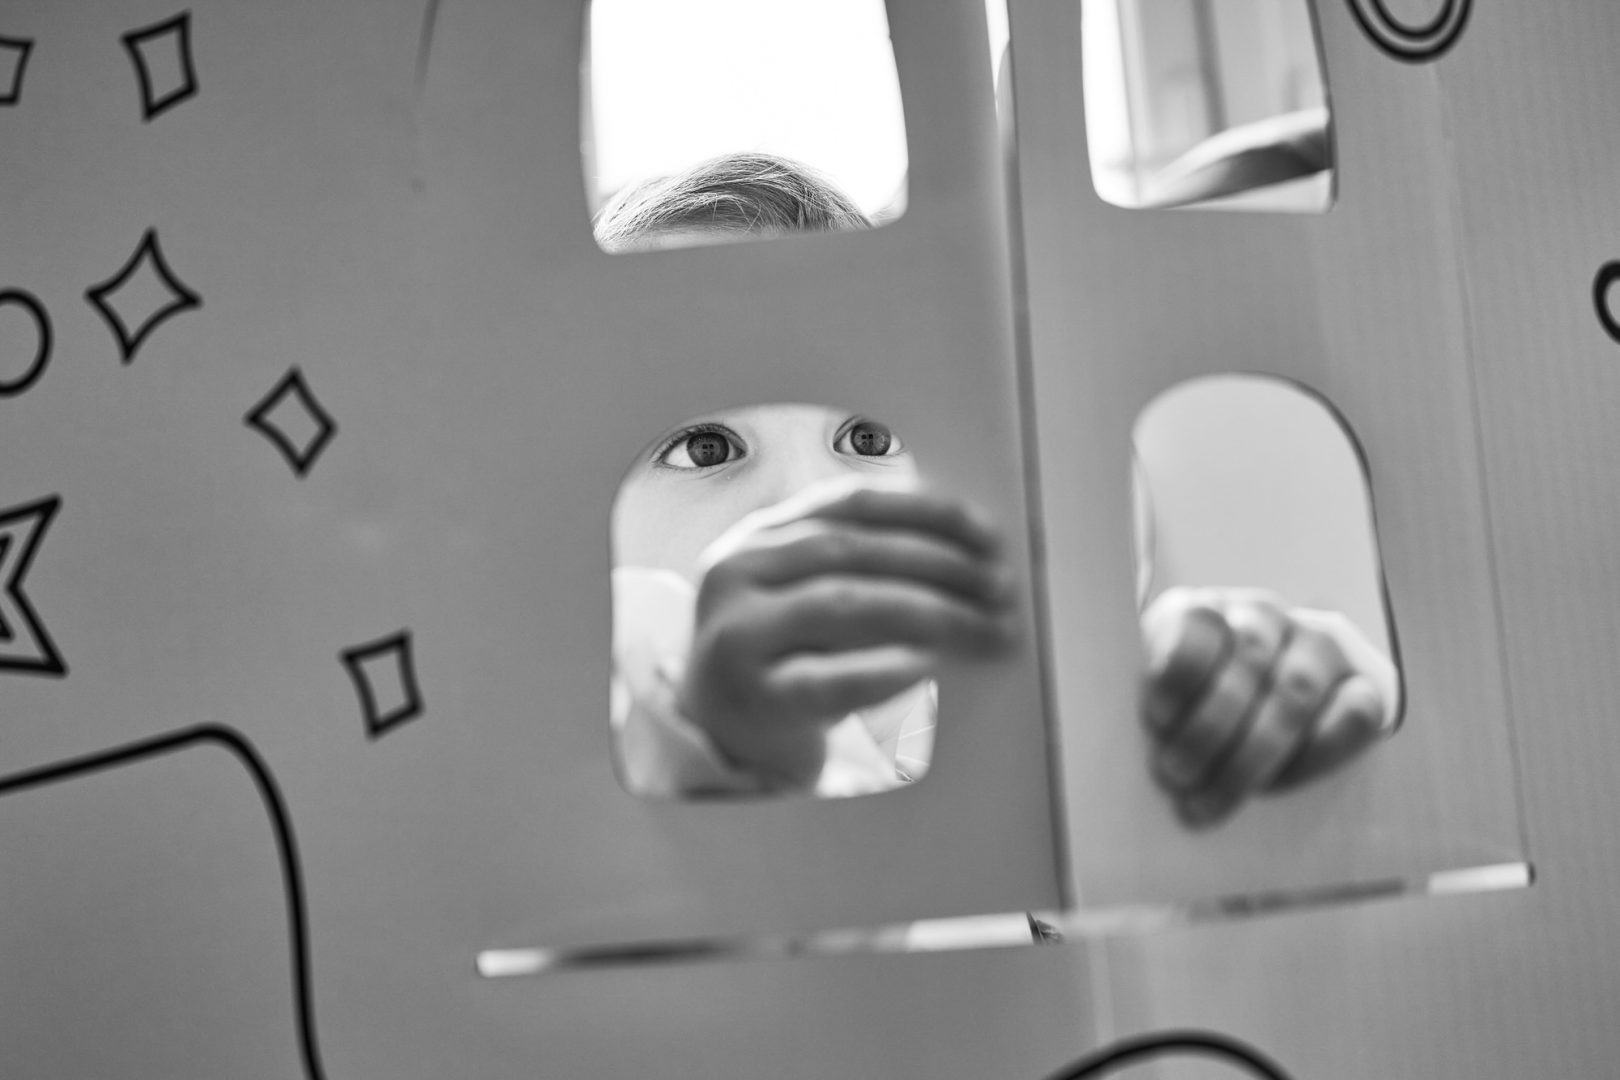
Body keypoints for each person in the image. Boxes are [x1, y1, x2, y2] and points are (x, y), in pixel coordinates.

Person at [604, 153, 1397, 826]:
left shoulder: (1030, 764)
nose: (809, 500)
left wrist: (1244, 700)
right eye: (705, 447)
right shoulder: (576, 789)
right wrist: (719, 750)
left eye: (869, 439)